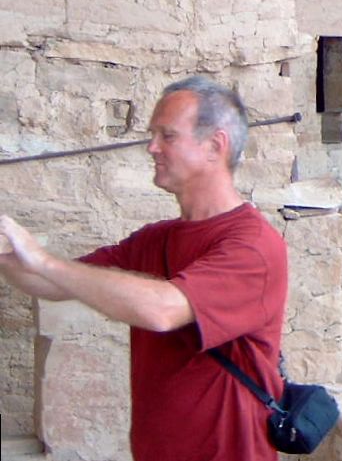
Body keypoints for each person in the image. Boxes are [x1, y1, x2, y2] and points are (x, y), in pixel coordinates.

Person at [0, 77, 289, 461]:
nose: (152, 148)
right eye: (153, 135)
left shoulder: (253, 245)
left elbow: (163, 310)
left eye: (167, 136)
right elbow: (49, 282)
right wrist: (6, 252)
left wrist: (43, 259)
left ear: (215, 146)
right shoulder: (156, 239)